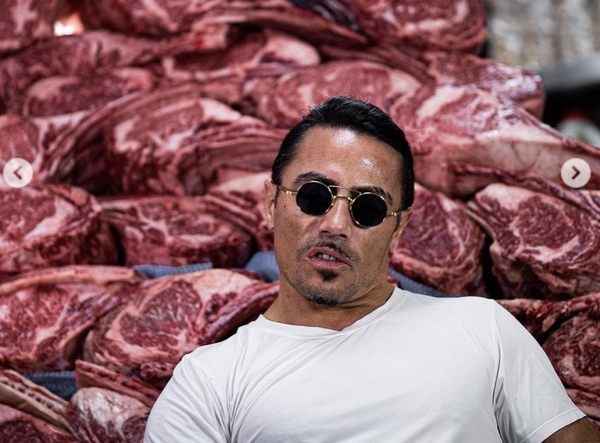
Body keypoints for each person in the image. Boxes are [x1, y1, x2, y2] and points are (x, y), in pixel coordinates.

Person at [144, 96, 599, 442]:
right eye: (314, 196)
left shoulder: (483, 328)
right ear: (270, 203)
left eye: (367, 208)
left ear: (398, 228)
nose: (335, 224)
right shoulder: (208, 381)